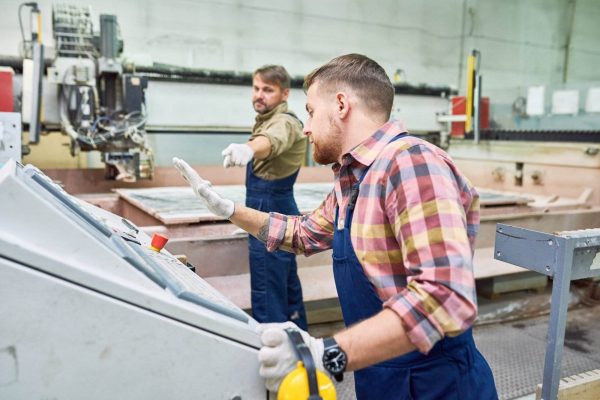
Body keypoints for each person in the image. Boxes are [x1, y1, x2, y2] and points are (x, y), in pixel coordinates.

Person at [173, 53, 498, 399]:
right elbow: (302, 233)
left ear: (341, 104)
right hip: (381, 376)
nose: (307, 127)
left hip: (436, 384)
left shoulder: (409, 162)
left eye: (311, 112)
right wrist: (228, 209)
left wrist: (326, 352)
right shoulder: (354, 179)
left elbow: (445, 297)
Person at [220, 65, 308, 330]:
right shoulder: (269, 118)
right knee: (285, 285)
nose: (259, 95)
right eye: (256, 88)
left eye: (268, 90)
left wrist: (247, 149)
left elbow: (271, 141)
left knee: (268, 287)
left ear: (284, 94)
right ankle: (299, 346)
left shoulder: (286, 121)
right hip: (272, 206)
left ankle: (273, 351)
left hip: (270, 207)